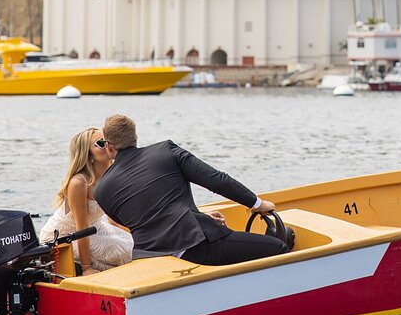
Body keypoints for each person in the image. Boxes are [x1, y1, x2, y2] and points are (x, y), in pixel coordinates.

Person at [93, 114, 288, 265]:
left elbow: (136, 217)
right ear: (134, 137)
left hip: (148, 259)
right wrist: (258, 204)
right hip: (194, 246)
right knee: (279, 248)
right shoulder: (166, 151)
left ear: (109, 147)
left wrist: (198, 216)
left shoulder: (101, 189)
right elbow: (216, 180)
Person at [39, 127, 134, 274]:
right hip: (66, 236)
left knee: (136, 244)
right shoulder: (79, 183)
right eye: (101, 143)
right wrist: (86, 267)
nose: (109, 145)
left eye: (109, 140)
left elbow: (113, 218)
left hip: (95, 227)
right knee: (124, 252)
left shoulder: (110, 176)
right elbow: (81, 227)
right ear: (88, 154)